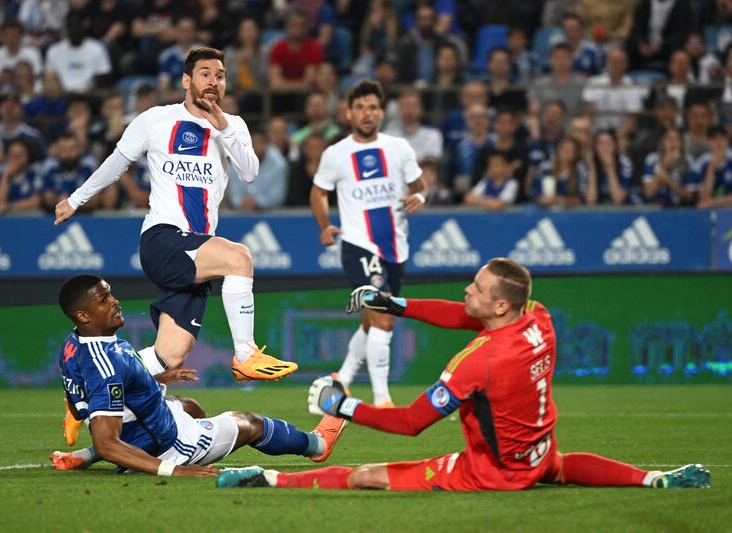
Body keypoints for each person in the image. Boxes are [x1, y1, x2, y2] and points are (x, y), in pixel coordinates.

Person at [217, 258, 711, 491]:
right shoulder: (538, 317)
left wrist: (340, 404)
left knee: (370, 476)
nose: (465, 291)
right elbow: (462, 315)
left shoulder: (480, 361)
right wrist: (394, 304)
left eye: (475, 287)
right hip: (537, 452)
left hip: (492, 471)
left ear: (499, 303)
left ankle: (268, 477)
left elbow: (411, 423)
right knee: (558, 466)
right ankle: (654, 479)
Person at [53, 47, 298, 443]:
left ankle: (80, 398)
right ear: (187, 80)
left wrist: (223, 127)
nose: (213, 82)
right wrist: (76, 199)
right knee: (239, 257)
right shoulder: (156, 120)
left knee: (169, 355)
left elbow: (250, 173)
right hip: (163, 239)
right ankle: (245, 353)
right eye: (205, 74)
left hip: (195, 251)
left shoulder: (231, 124)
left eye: (220, 75)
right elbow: (117, 162)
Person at [50, 275, 346, 475]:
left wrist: (153, 380)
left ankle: (84, 456)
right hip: (167, 447)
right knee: (250, 422)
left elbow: (102, 393)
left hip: (146, 421)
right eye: (103, 300)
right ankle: (316, 443)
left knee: (189, 406)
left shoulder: (74, 344)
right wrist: (175, 470)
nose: (114, 301)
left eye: (111, 294)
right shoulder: (106, 364)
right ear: (84, 316)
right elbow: (107, 441)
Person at [310, 80, 426, 407]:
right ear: (349, 113)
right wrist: (324, 225)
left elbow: (421, 185)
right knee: (384, 315)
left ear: (382, 112)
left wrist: (419, 196)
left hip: (395, 246)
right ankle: (382, 398)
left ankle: (342, 379)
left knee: (373, 318)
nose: (367, 113)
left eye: (373, 107)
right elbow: (318, 191)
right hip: (359, 245)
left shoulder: (399, 148)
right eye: (360, 107)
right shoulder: (336, 154)